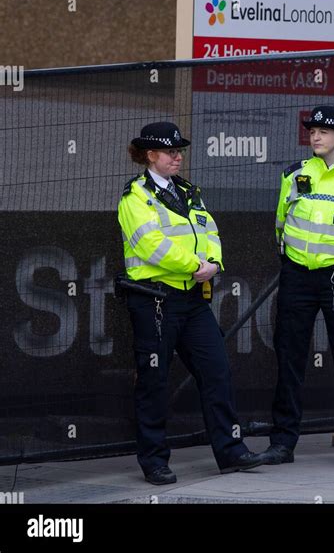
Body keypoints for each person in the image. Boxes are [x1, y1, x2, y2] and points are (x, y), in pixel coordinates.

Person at [117, 121, 262, 485]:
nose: (177, 157)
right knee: (154, 380)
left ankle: (231, 451)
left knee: (217, 371)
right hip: (155, 300)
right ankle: (154, 461)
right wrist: (195, 265)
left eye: (179, 151)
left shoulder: (189, 192)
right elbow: (150, 244)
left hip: (193, 299)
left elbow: (209, 230)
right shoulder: (136, 196)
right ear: (151, 156)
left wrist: (214, 263)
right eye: (170, 152)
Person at [258, 106, 334, 471]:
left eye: (324, 132)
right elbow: (280, 225)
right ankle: (282, 442)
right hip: (296, 276)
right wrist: (297, 262)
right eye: (312, 131)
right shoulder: (293, 175)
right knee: (289, 358)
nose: (315, 136)